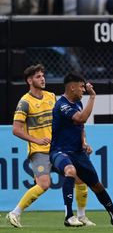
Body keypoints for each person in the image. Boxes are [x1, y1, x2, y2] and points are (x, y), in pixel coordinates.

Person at [6, 64, 94, 228]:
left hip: (58, 148)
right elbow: (16, 130)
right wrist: (36, 140)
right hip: (39, 151)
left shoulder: (52, 97)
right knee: (44, 184)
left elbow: (73, 122)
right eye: (38, 76)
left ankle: (81, 216)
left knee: (80, 178)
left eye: (43, 75)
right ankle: (14, 213)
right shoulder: (25, 102)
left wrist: (83, 142)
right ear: (29, 80)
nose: (43, 78)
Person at [50, 73, 113, 228]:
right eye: (81, 87)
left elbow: (81, 127)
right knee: (70, 171)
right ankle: (69, 216)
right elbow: (81, 119)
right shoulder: (62, 104)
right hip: (59, 151)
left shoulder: (78, 104)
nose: (84, 90)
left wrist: (84, 142)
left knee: (97, 186)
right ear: (72, 87)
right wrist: (93, 97)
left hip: (78, 153)